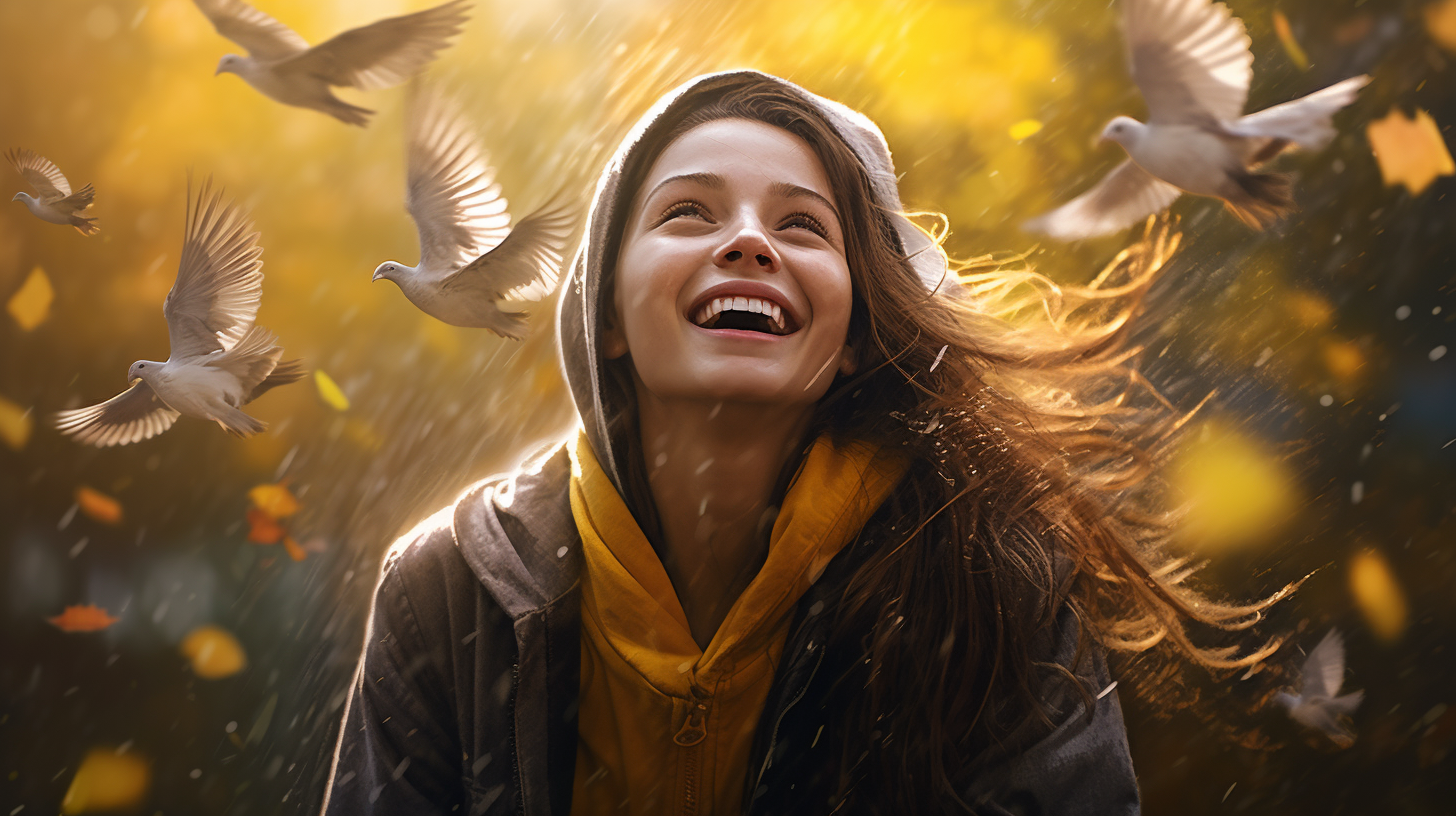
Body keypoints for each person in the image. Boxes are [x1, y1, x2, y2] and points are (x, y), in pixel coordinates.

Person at [321, 70, 1284, 815]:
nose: (748, 243)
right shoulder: (446, 592)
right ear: (604, 314)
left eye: (803, 226)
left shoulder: (990, 583)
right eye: (688, 211)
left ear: (860, 333)